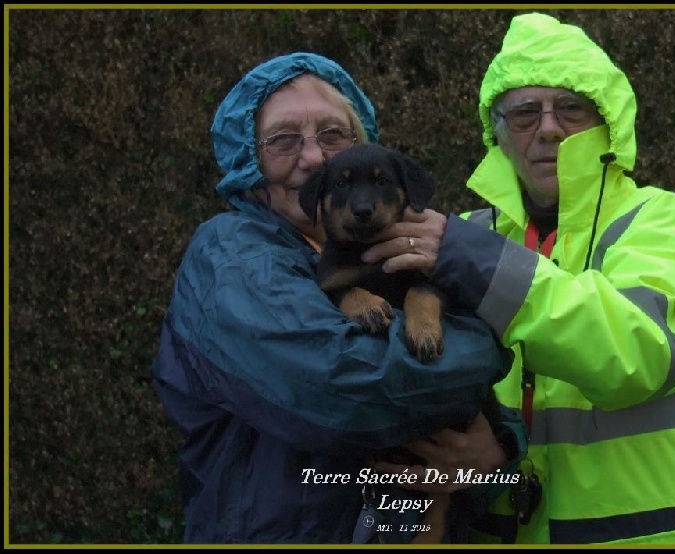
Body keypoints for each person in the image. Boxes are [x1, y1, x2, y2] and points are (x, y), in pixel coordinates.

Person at [363, 12, 675, 545]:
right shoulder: (462, 239)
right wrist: (495, 458)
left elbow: (640, 350)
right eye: (523, 113)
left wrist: (479, 265)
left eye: (571, 107)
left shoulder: (665, 223)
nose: (547, 128)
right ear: (496, 132)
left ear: (609, 123)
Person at [149, 52, 527, 544]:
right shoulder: (232, 256)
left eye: (333, 135)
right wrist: (489, 341)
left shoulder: (388, 249)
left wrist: (496, 450)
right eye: (284, 140)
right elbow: (345, 388)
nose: (315, 158)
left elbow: (474, 420)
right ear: (249, 158)